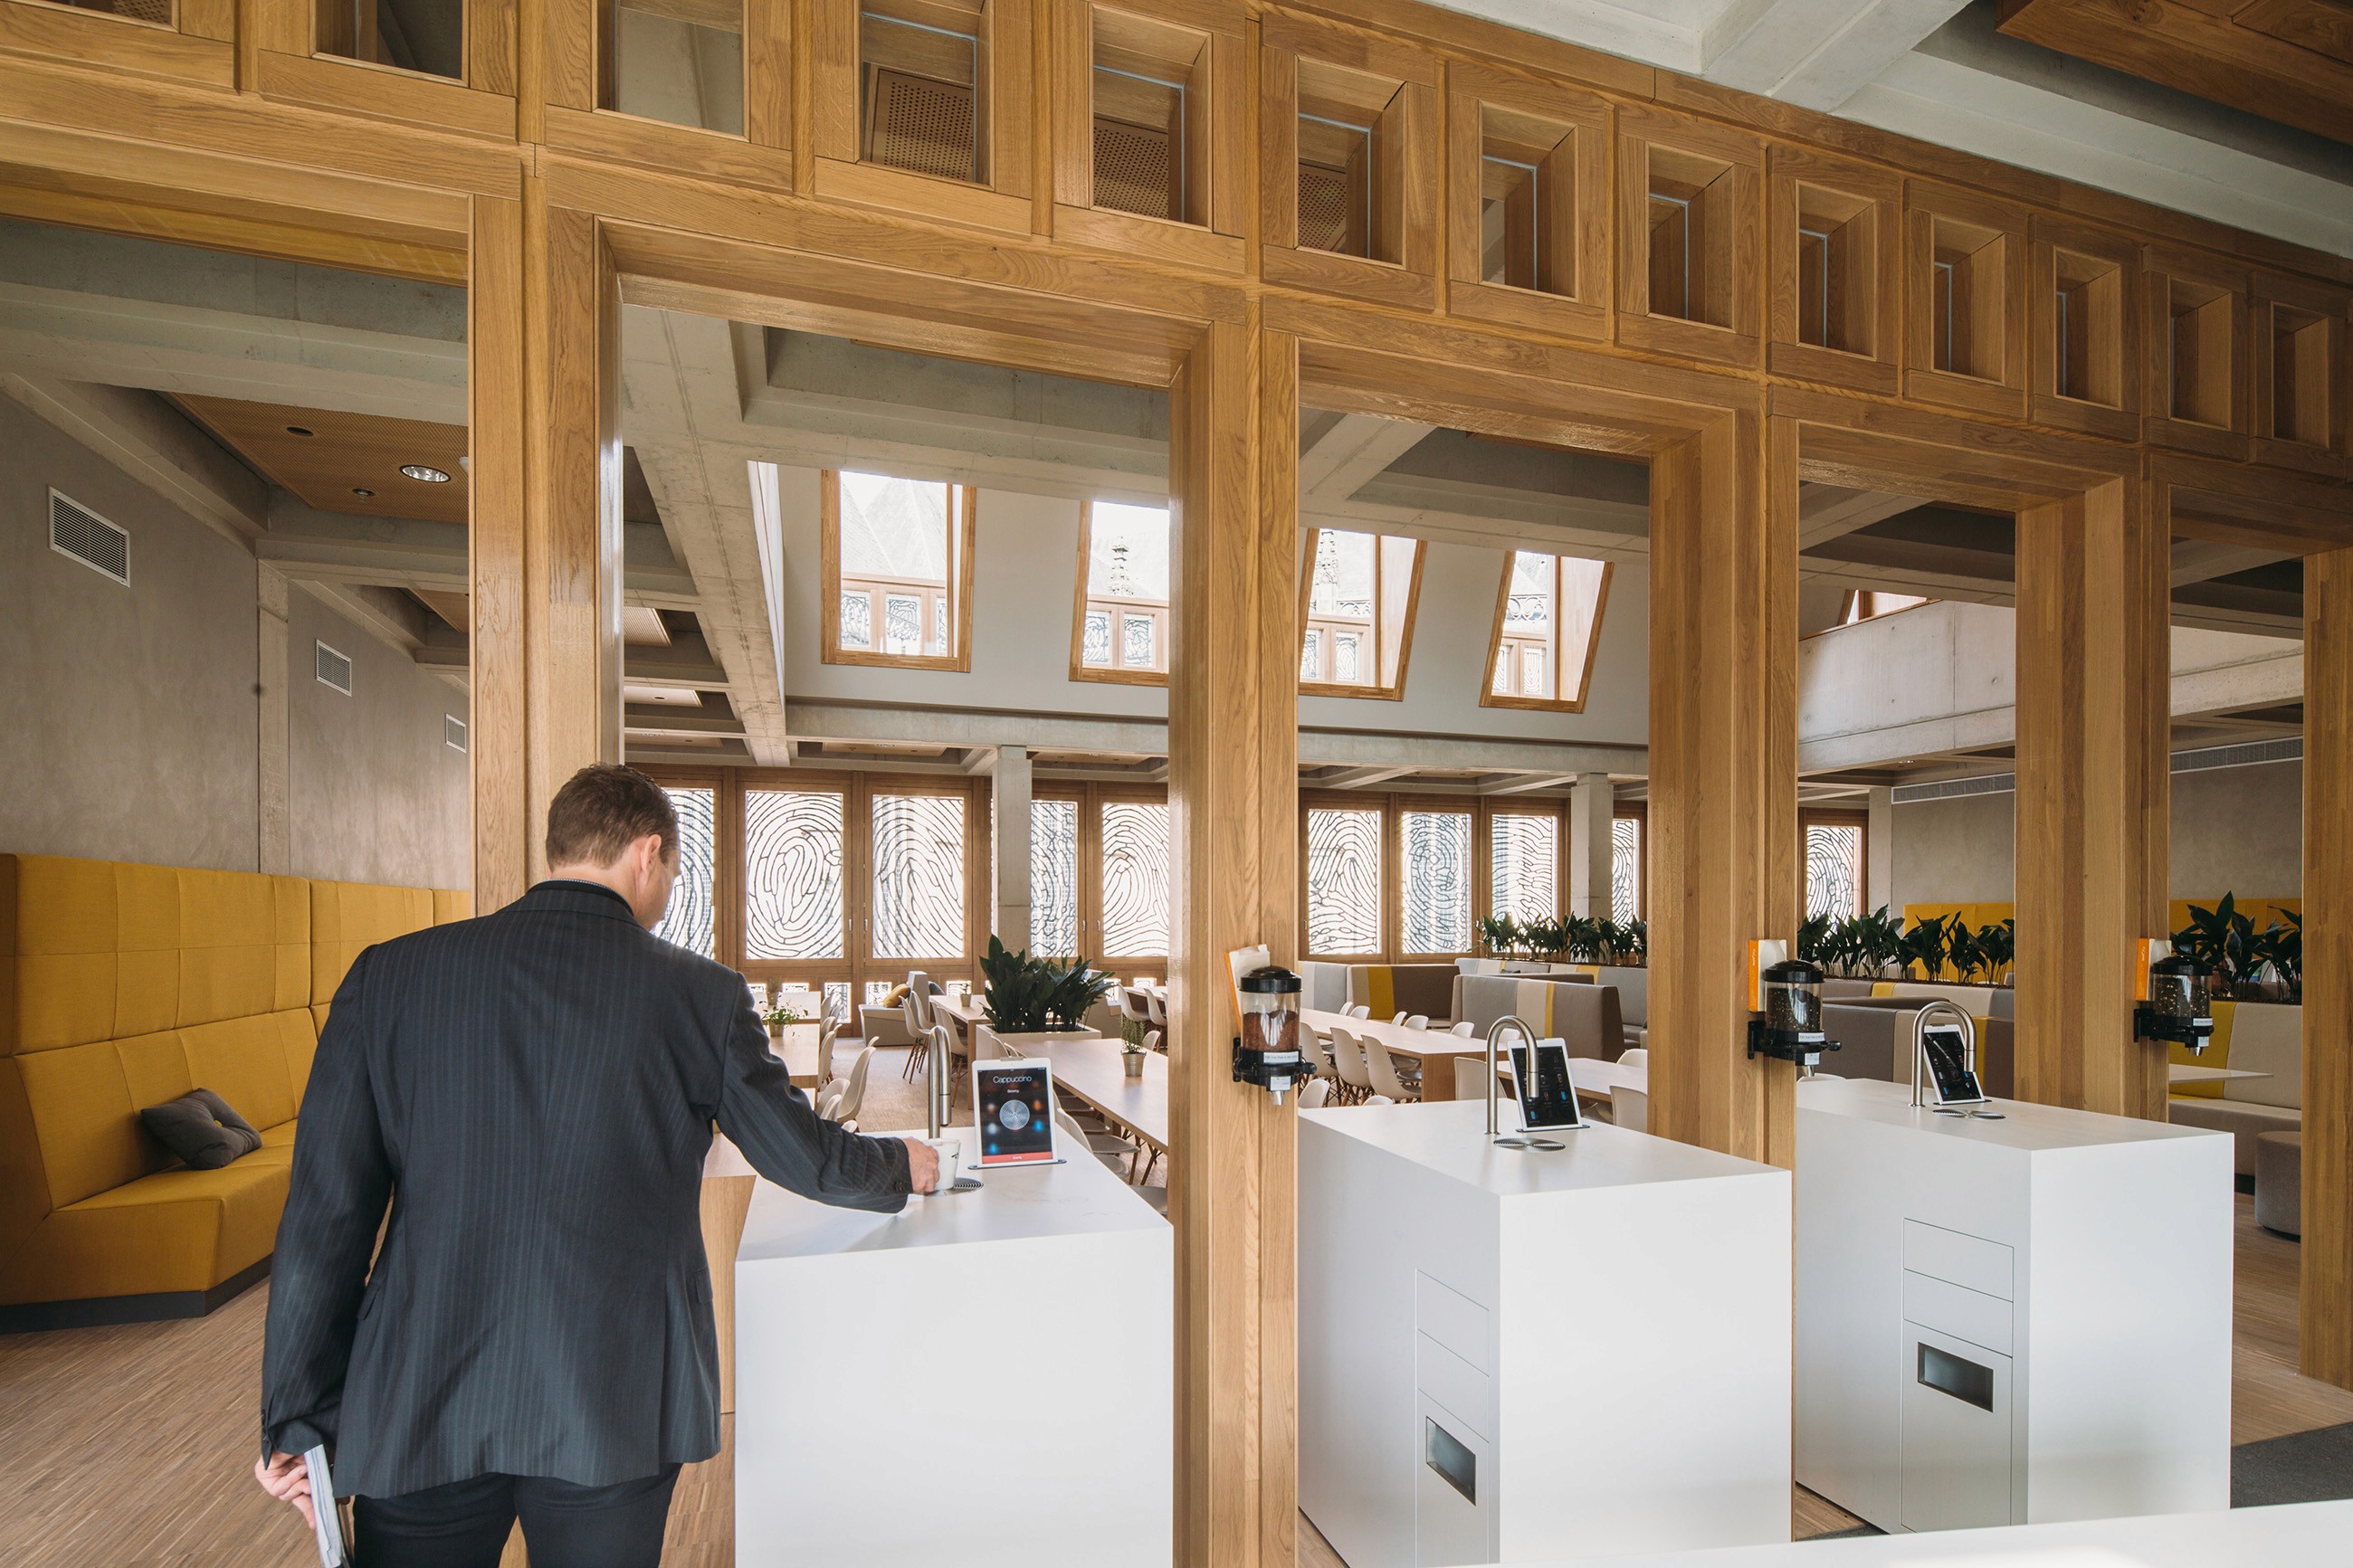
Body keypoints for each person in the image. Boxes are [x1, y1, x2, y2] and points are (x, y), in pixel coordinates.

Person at [254, 764, 939, 1566]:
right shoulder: (701, 994)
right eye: (675, 873)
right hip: (612, 1391)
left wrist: (297, 1417)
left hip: (419, 1394)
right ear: (647, 854)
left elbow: (323, 1217)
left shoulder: (392, 976)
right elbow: (800, 1153)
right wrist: (903, 1162)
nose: (668, 891)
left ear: (561, 849)